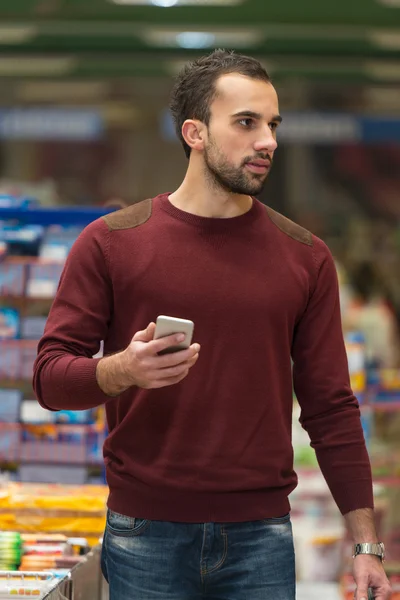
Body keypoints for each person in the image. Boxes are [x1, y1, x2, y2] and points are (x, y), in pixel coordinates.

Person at [32, 50, 392, 600]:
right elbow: (50, 379)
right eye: (246, 123)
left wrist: (365, 544)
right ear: (194, 132)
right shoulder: (110, 243)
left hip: (262, 539)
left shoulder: (305, 257)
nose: (267, 141)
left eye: (272, 125)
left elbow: (331, 406)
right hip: (143, 533)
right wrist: (119, 370)